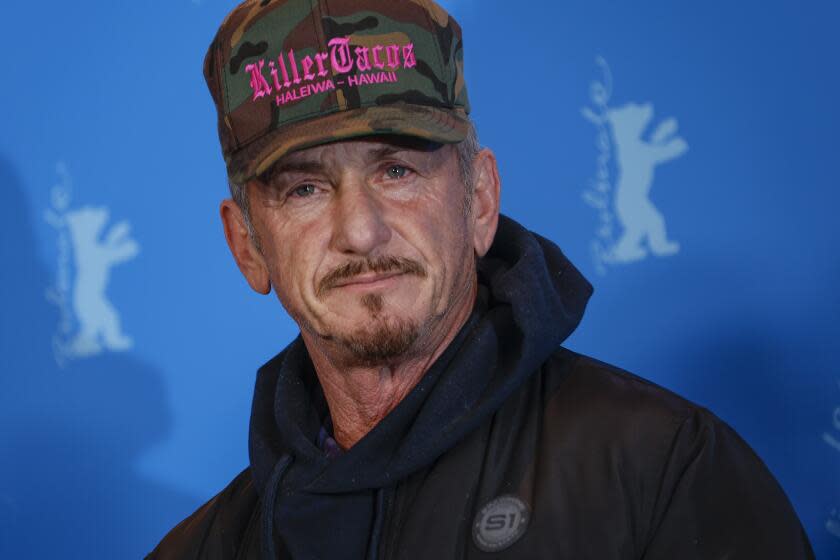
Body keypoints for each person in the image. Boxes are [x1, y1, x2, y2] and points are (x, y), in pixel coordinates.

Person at [149, 0, 815, 558]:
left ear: (479, 200)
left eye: (398, 171)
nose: (360, 230)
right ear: (247, 245)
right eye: (304, 189)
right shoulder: (199, 550)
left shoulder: (663, 474)